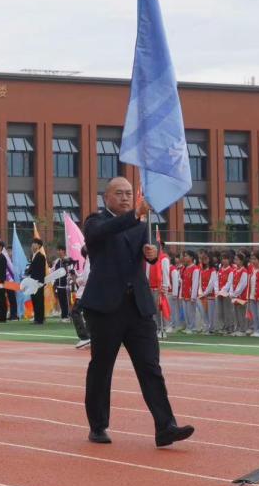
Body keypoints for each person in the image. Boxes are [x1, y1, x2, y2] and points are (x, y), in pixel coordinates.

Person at [78, 177, 193, 448]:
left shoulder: (141, 226)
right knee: (102, 368)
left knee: (150, 366)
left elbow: (148, 251)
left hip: (138, 307)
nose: (125, 198)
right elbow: (103, 233)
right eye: (119, 193)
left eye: (129, 193)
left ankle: (165, 426)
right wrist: (135, 215)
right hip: (105, 308)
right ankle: (98, 425)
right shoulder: (95, 222)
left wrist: (153, 254)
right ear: (106, 198)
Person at [70, 246, 91, 349]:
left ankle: (84, 337)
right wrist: (75, 277)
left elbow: (86, 278)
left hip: (84, 292)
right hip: (88, 292)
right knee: (88, 314)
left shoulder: (89, 259)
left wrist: (77, 280)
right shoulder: (90, 259)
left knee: (75, 312)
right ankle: (90, 336)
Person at [27, 238, 46, 324]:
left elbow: (42, 270)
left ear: (39, 246)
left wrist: (41, 282)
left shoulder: (41, 256)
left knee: (39, 300)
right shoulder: (33, 256)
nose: (33, 245)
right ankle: (36, 317)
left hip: (38, 282)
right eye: (32, 243)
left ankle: (40, 319)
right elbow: (32, 268)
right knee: (34, 299)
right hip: (32, 281)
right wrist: (27, 273)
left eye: (35, 243)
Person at [52, 246, 72, 322]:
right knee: (61, 301)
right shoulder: (57, 261)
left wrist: (69, 281)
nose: (59, 252)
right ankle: (63, 316)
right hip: (58, 284)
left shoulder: (68, 260)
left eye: (60, 250)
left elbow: (70, 271)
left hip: (66, 285)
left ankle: (68, 316)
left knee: (67, 301)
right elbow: (53, 271)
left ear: (64, 251)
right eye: (58, 250)